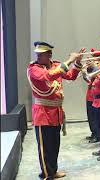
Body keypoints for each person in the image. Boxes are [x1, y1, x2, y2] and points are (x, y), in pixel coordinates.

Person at [27, 41, 84, 180]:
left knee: (54, 146)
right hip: (43, 113)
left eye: (42, 55)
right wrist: (69, 60)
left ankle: (52, 171)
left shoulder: (56, 65)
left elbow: (71, 76)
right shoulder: (34, 68)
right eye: (38, 54)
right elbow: (47, 76)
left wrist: (77, 62)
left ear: (50, 54)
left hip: (55, 112)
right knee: (45, 148)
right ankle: (47, 175)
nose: (38, 57)